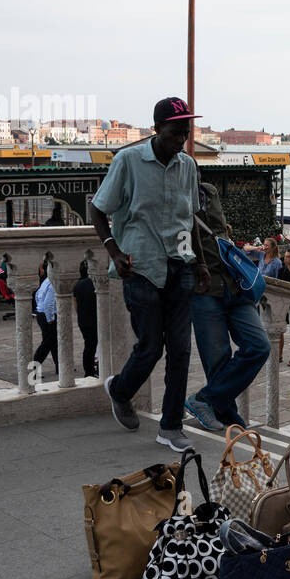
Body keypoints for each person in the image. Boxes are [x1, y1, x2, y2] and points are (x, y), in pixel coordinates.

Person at [89, 97, 209, 453]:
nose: (181, 140)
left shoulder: (187, 166)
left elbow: (191, 221)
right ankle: (120, 390)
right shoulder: (128, 161)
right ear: (157, 130)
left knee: (182, 350)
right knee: (150, 347)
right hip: (140, 265)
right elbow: (97, 210)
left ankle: (170, 427)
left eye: (186, 133)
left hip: (181, 265)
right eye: (175, 132)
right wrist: (112, 249)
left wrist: (200, 262)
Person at [184, 182, 271, 432]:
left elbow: (220, 234)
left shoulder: (210, 191)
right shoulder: (174, 199)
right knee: (218, 360)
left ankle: (204, 400)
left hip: (234, 286)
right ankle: (229, 418)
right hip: (204, 292)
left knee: (259, 346)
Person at [32, 259, 58, 374]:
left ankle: (60, 366)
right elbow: (49, 303)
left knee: (54, 342)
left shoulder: (47, 280)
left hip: (41, 313)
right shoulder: (53, 283)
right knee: (47, 344)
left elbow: (38, 295)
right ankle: (33, 369)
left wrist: (39, 309)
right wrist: (50, 318)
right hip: (47, 316)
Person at [72, 260, 98, 377]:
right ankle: (92, 371)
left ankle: (89, 371)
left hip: (83, 320)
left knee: (89, 346)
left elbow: (75, 304)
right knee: (94, 345)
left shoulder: (78, 285)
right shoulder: (95, 282)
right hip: (95, 319)